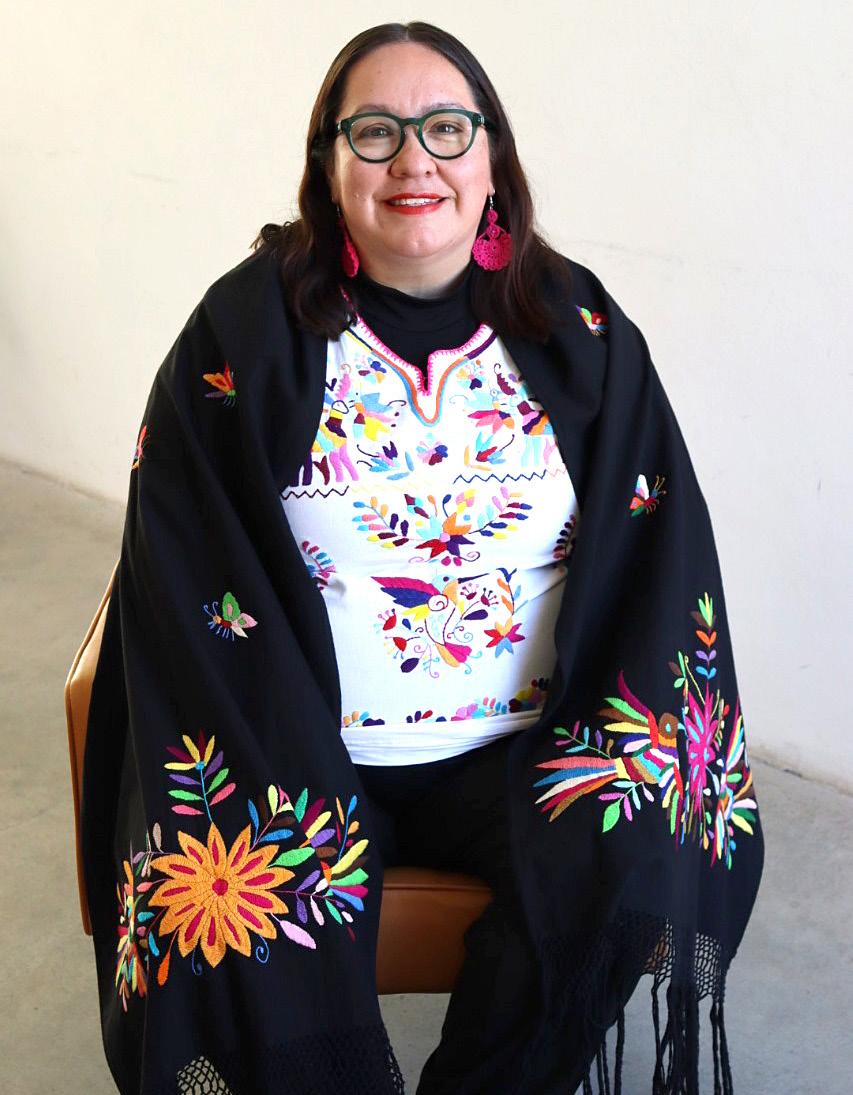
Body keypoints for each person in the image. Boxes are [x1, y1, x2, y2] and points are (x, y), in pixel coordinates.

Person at [82, 21, 764, 1095]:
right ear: (328, 165)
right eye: (375, 132)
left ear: (492, 159)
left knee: (643, 832)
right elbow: (184, 575)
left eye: (446, 129)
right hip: (295, 744)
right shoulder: (242, 334)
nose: (414, 161)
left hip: (524, 747)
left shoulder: (579, 328)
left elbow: (658, 555)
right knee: (234, 888)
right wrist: (284, 754)